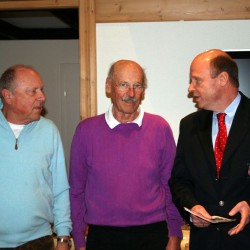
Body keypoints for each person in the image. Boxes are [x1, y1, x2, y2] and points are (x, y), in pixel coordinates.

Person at [69, 59, 183, 250]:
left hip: (153, 234)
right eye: (123, 85)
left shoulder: (159, 128)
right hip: (102, 237)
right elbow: (76, 191)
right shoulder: (86, 131)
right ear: (108, 86)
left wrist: (175, 234)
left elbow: (170, 184)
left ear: (143, 91)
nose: (131, 94)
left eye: (137, 86)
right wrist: (79, 241)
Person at [169, 49, 250, 250]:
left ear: (222, 79)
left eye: (197, 80)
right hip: (205, 243)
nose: (190, 88)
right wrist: (192, 209)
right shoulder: (189, 126)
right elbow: (179, 181)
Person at [0, 65, 72, 249]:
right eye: (33, 91)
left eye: (41, 90)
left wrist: (63, 237)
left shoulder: (49, 131)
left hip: (38, 241)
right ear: (8, 96)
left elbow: (60, 188)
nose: (42, 97)